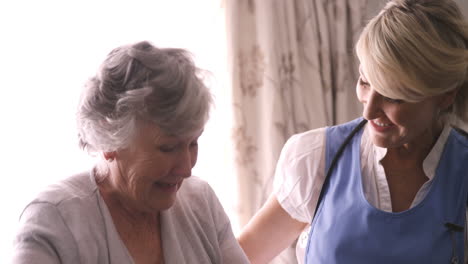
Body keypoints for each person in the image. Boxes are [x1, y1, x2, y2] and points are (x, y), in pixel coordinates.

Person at [238, 0, 468, 263]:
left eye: (393, 96)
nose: (369, 111)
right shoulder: (315, 161)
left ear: (445, 95)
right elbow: (240, 258)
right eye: (365, 82)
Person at [12, 41, 249, 264]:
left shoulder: (201, 202)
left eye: (193, 144)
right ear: (110, 141)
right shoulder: (55, 220)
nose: (186, 169)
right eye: (167, 148)